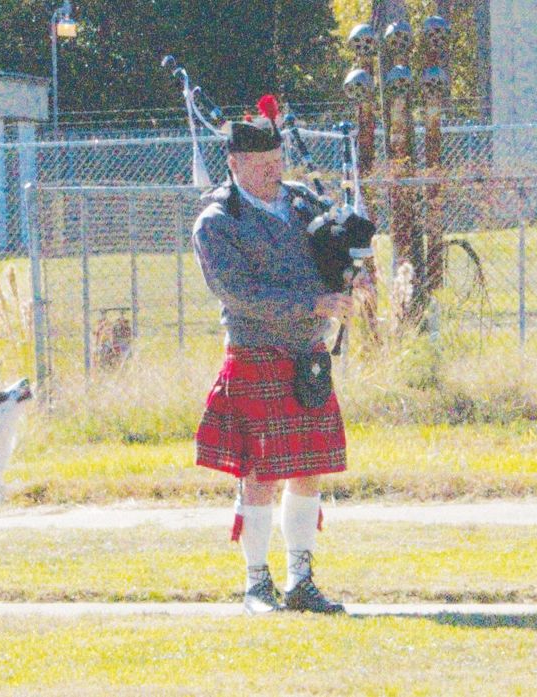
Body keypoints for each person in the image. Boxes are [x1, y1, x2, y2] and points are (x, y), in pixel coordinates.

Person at [191, 95, 374, 615]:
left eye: (278, 162)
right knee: (260, 475)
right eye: (263, 165)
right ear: (235, 162)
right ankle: (256, 582)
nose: (275, 172)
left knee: (308, 469)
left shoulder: (299, 201)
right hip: (258, 353)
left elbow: (331, 249)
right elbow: (237, 294)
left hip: (307, 355)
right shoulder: (217, 222)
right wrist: (312, 302)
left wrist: (351, 265)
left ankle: (301, 580)